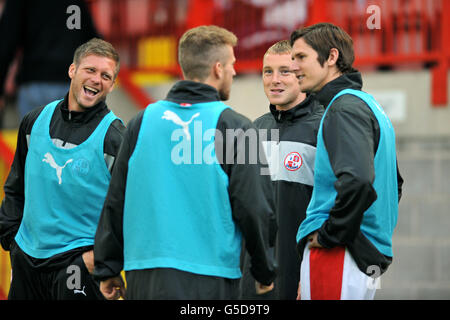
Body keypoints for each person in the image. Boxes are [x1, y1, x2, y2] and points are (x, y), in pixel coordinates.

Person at [93, 25, 276, 300]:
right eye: (231, 65)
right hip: (209, 277)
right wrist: (264, 271)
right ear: (217, 69)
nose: (234, 72)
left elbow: (116, 198)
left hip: (144, 275)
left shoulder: (140, 123)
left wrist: (107, 267)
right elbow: (254, 206)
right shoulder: (237, 127)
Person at [0, 38, 125, 300]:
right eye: (90, 70)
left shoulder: (115, 138)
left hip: (77, 267)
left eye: (105, 75)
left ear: (112, 85)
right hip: (26, 260)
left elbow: (135, 211)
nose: (96, 79)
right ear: (72, 70)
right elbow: (15, 186)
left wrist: (97, 261)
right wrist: (13, 244)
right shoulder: (34, 120)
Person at [290, 23, 404, 300]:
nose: (294, 67)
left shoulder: (343, 108)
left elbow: (359, 181)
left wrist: (331, 235)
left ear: (330, 58)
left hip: (340, 254)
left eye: (301, 57)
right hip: (359, 256)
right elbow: (395, 184)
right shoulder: (366, 103)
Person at [239, 40, 323, 299]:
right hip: (254, 280)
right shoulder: (251, 131)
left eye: (284, 71)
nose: (274, 80)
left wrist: (311, 275)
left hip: (300, 276)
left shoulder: (325, 127)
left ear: (301, 75)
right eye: (268, 71)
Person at [0, 0, 100, 120]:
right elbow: (92, 40)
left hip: (34, 81)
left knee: (35, 136)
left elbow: (6, 43)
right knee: (72, 137)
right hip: (70, 82)